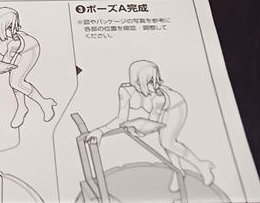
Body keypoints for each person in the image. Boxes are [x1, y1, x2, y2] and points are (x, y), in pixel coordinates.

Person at [86, 59, 214, 190]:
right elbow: (120, 118)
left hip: (175, 106)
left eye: (155, 79)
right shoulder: (125, 91)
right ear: (136, 80)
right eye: (149, 80)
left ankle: (202, 165)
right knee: (167, 142)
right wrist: (100, 131)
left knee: (167, 142)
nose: (155, 84)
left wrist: (137, 130)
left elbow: (154, 124)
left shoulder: (158, 97)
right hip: (160, 112)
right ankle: (179, 172)